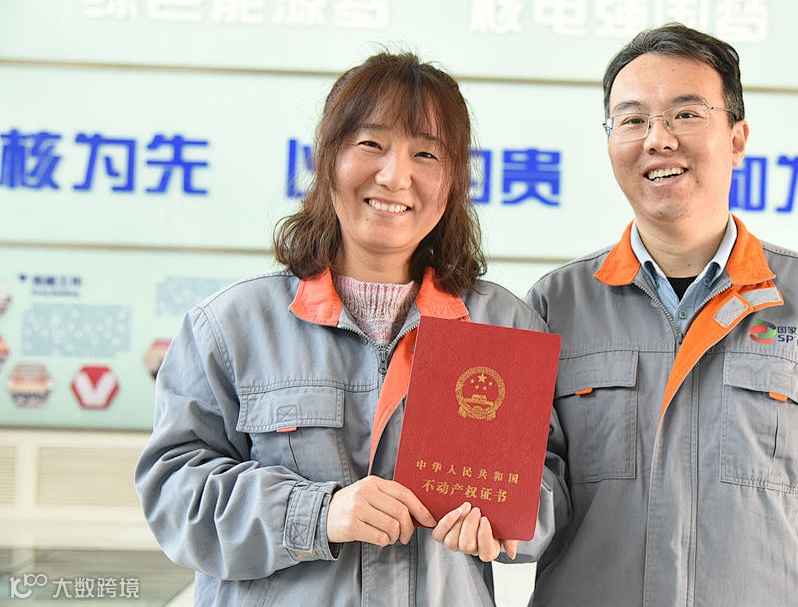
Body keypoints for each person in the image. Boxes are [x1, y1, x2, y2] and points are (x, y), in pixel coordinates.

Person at [135, 51, 563, 607]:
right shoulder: (231, 326)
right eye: (371, 144)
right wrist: (317, 513)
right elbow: (175, 497)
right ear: (327, 157)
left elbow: (551, 496)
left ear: (454, 181)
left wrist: (508, 519)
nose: (395, 176)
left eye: (426, 153)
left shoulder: (504, 325)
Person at [525, 23, 798, 607]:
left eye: (686, 115)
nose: (657, 139)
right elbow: (537, 483)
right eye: (632, 120)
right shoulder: (555, 305)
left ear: (737, 139)